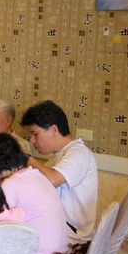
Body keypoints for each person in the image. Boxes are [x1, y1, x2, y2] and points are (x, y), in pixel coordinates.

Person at [20, 100, 98, 244]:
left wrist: (26, 157)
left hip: (70, 240)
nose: (32, 140)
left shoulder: (79, 153)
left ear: (53, 130)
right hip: (57, 233)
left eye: (35, 133)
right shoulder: (59, 156)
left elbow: (52, 180)